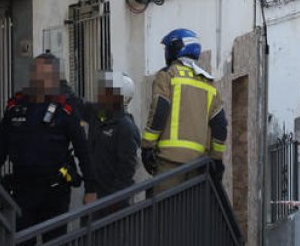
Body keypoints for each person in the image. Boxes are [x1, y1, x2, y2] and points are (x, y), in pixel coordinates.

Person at [0, 52, 97, 246]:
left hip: (54, 192)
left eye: (44, 75)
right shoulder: (16, 106)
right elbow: (0, 145)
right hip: (22, 190)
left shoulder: (65, 109)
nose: (38, 79)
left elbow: (82, 150)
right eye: (35, 73)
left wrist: (91, 189)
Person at [141, 29, 228, 192]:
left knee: (165, 214)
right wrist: (216, 160)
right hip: (198, 167)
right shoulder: (208, 84)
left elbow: (159, 111)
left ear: (175, 48)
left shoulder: (167, 75)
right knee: (189, 216)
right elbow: (220, 126)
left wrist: (147, 147)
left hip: (169, 164)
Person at [87, 72, 141, 212]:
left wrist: (113, 200)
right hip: (98, 198)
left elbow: (126, 168)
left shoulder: (125, 127)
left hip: (113, 202)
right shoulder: (101, 119)